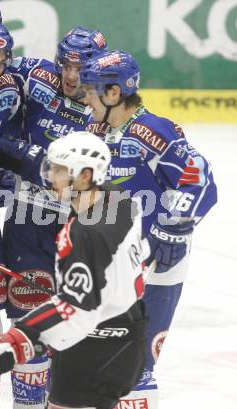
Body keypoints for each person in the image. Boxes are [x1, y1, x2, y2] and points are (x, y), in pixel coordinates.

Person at [75, 50, 218, 408]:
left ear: (113, 94)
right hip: (110, 267)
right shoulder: (94, 130)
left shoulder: (151, 131)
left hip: (154, 268)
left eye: (91, 90)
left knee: (135, 366)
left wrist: (171, 229)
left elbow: (200, 181)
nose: (84, 97)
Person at [0, 131, 149, 409]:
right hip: (124, 331)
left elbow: (75, 311)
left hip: (96, 348)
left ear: (86, 176)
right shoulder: (118, 199)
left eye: (60, 170)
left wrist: (17, 340)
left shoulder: (86, 235)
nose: (50, 176)